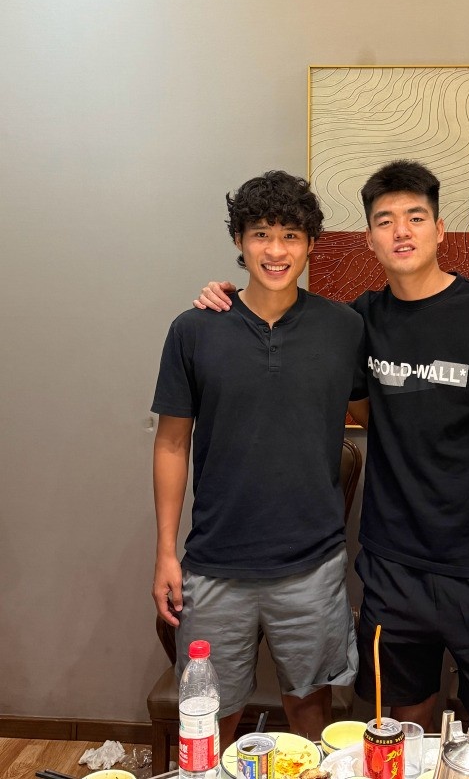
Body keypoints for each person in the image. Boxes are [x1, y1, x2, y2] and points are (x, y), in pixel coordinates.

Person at [194, 160, 469, 731]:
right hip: (392, 562)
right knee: (403, 723)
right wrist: (226, 299)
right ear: (369, 239)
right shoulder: (360, 320)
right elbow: (343, 387)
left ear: (440, 229)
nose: (401, 231)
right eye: (385, 221)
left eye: (416, 217)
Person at [151, 170, 367, 745]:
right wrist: (166, 553)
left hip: (312, 564)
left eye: (291, 235)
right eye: (261, 234)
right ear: (239, 241)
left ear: (311, 243)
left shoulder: (344, 327)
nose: (276, 250)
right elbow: (171, 443)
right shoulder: (195, 329)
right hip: (215, 563)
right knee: (209, 720)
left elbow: (381, 417)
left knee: (312, 714)